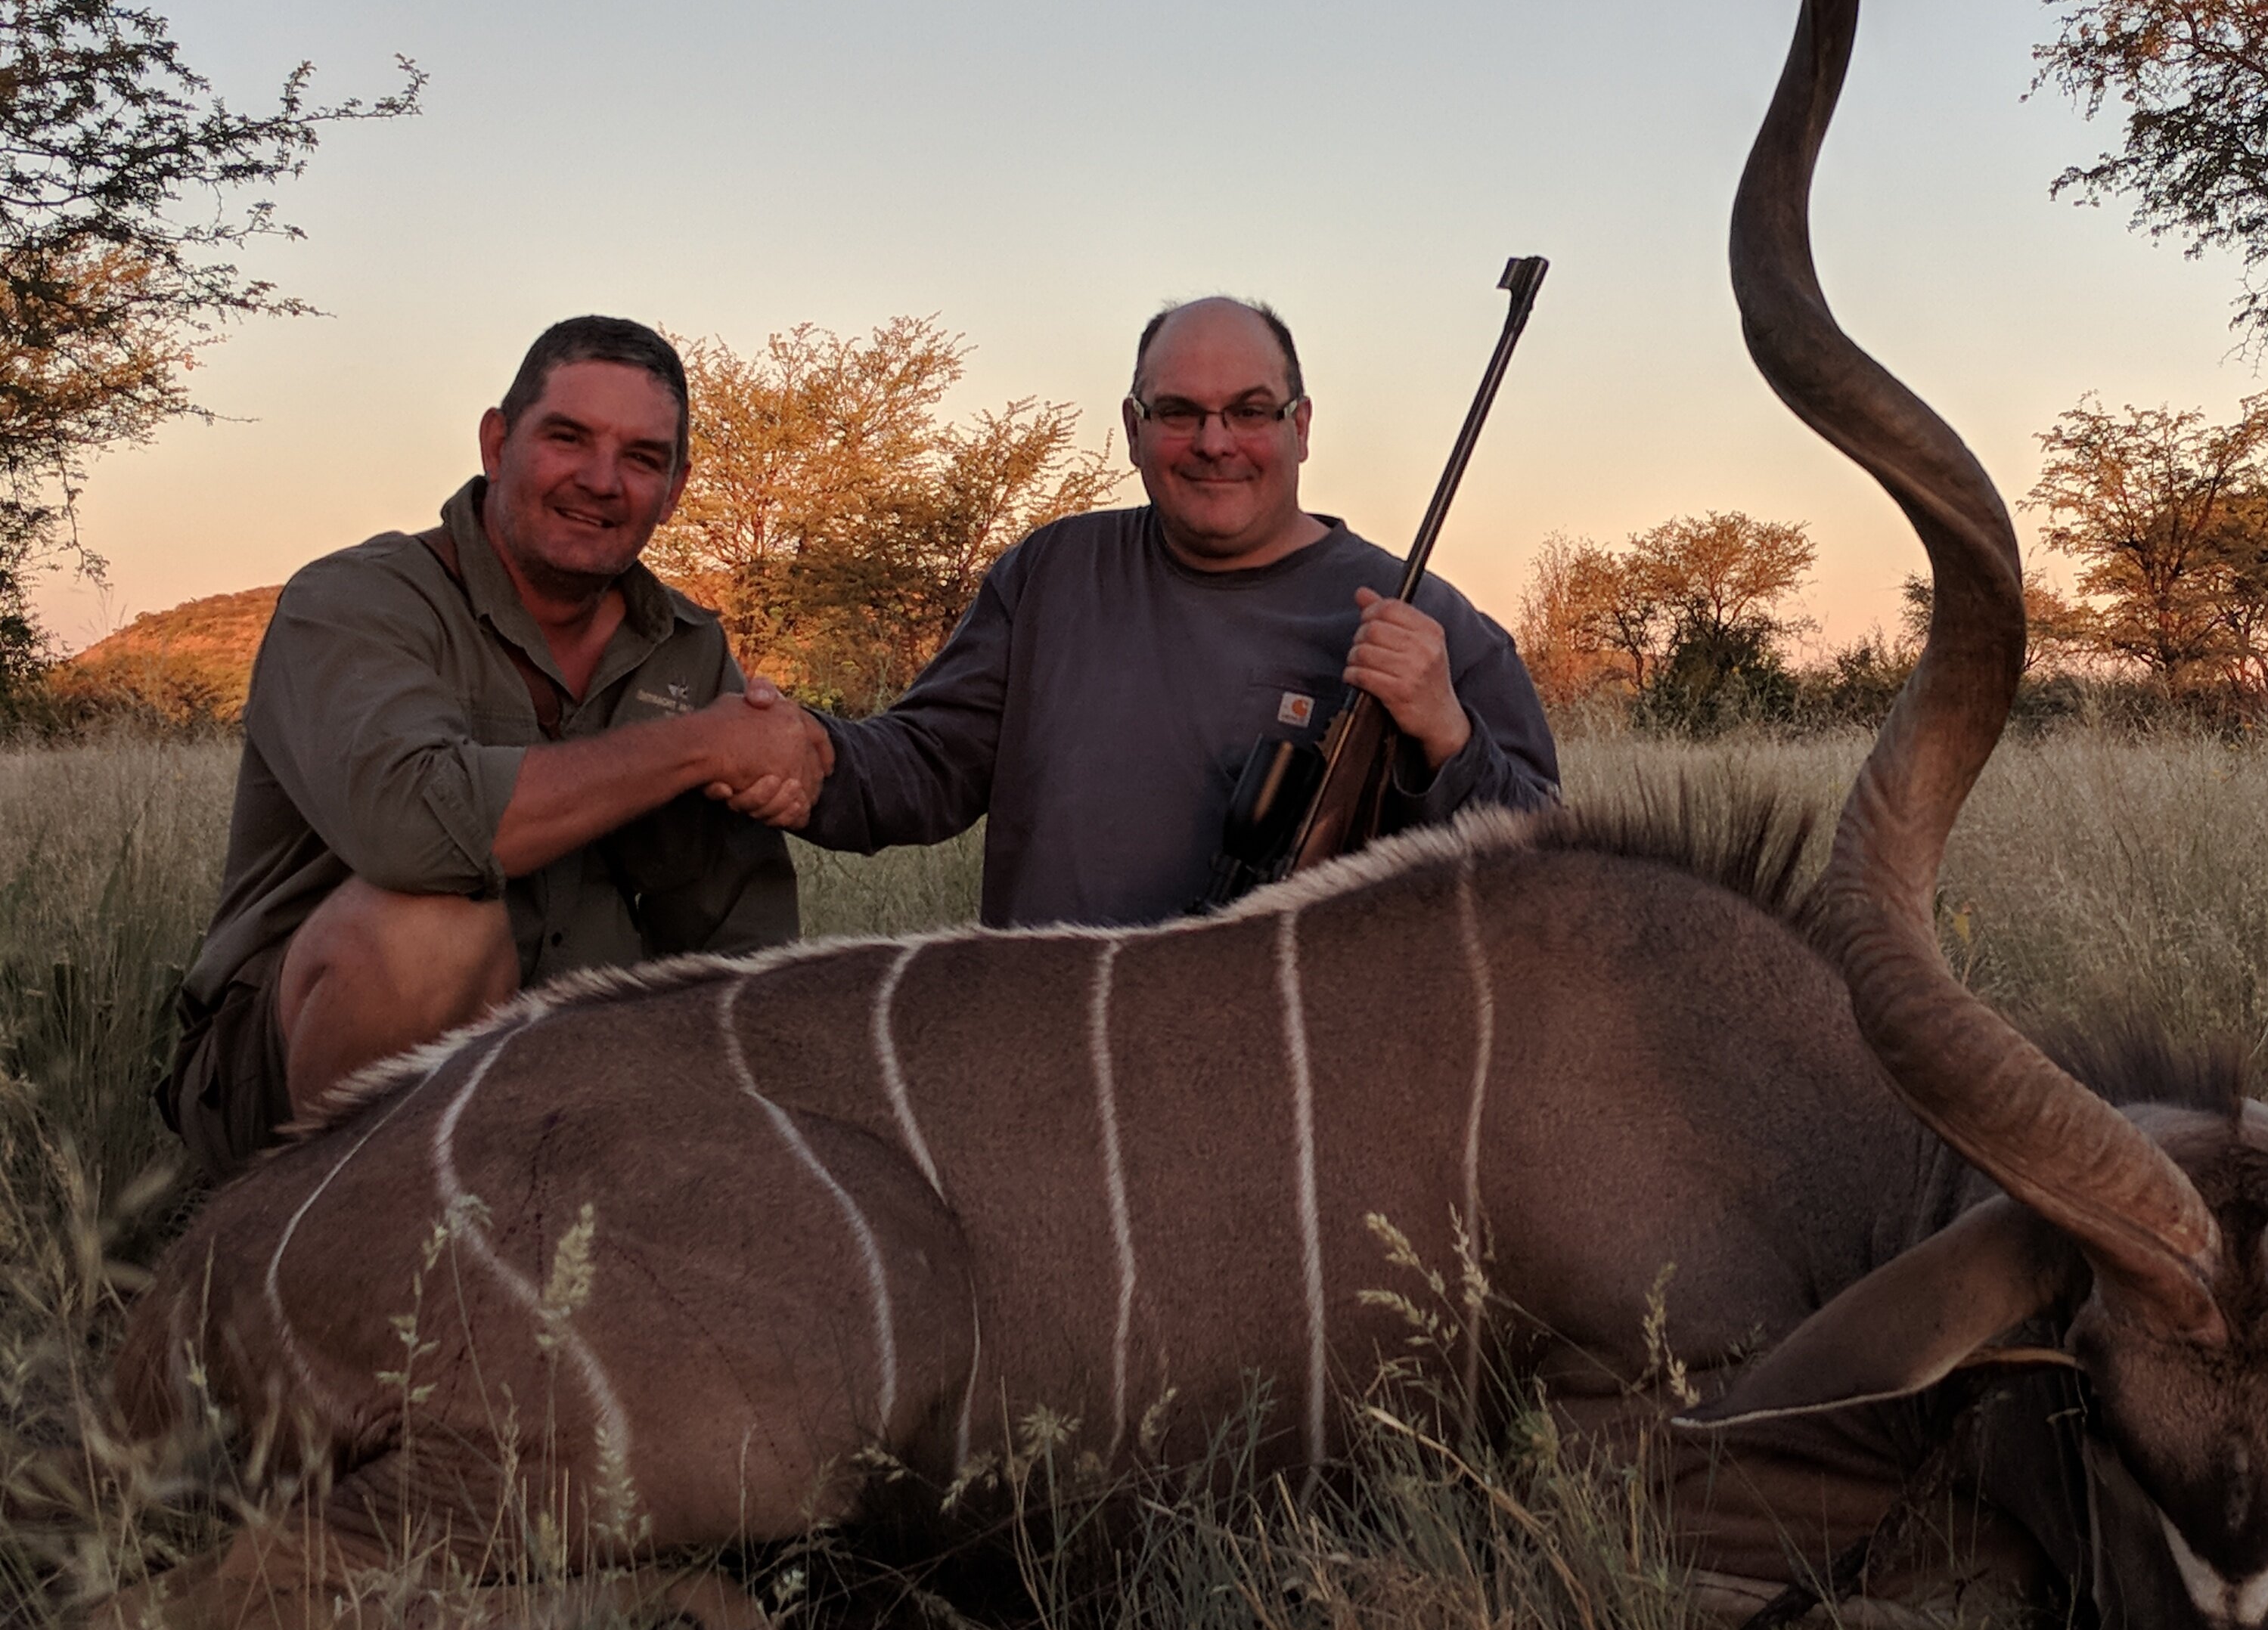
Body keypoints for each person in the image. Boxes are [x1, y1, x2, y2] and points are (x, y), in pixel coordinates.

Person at [161, 316, 836, 1177]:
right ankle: (335, 1269)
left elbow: (733, 938)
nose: (601, 481)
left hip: (570, 1067)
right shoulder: (356, 600)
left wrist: (789, 757)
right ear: (497, 442)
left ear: (674, 489)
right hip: (292, 1086)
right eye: (568, 438)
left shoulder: (688, 647)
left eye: (641, 457)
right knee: (427, 931)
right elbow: (413, 830)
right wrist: (703, 745)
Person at [801, 294, 1557, 925]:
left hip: (1299, 1086)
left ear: (1299, 427)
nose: (1214, 442)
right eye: (1179, 413)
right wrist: (801, 754)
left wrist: (1447, 735)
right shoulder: (1051, 573)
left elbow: (1543, 880)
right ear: (1133, 429)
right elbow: (925, 771)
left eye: (1250, 412)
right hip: (1053, 1061)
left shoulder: (1433, 627)